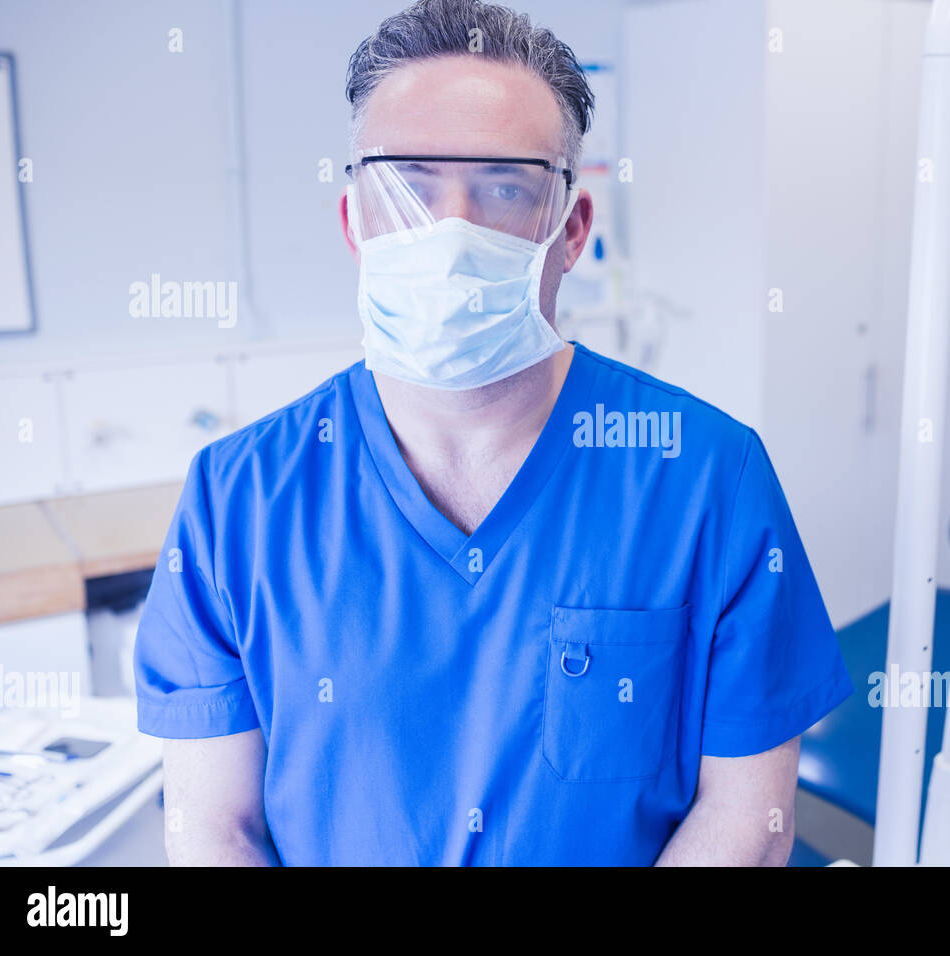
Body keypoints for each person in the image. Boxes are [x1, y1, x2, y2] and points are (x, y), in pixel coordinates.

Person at [134, 0, 852, 866]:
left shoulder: (706, 480)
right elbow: (214, 829)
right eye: (408, 185)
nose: (452, 229)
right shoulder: (236, 501)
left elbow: (748, 820)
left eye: (506, 187)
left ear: (572, 229)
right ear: (355, 223)